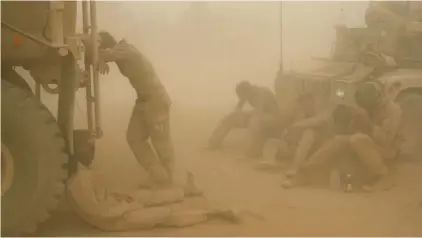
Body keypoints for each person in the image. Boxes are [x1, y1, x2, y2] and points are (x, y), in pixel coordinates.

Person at [286, 80, 402, 191]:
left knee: (358, 139)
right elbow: (354, 129)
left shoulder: (393, 110)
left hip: (387, 149)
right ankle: (307, 171)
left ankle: (383, 175)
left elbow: (386, 140)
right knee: (337, 140)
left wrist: (369, 124)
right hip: (366, 142)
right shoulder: (364, 106)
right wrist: (354, 121)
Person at [94, 31, 175, 186]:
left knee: (160, 140)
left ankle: (168, 178)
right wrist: (99, 55)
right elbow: (105, 55)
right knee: (134, 137)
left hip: (155, 100)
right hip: (143, 100)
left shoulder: (126, 50)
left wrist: (98, 54)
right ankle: (158, 175)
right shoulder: (120, 52)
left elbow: (107, 55)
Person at [208, 81, 283, 158]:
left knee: (254, 121)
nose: (240, 98)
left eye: (241, 95)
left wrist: (248, 120)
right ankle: (214, 142)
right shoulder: (247, 93)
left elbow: (258, 112)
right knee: (232, 116)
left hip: (274, 117)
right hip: (260, 114)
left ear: (247, 91)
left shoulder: (262, 93)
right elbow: (238, 108)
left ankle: (252, 151)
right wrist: (235, 119)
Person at [276, 93, 319, 176]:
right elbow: (289, 131)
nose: (306, 105)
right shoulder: (299, 116)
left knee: (308, 133)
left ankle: (295, 168)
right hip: (297, 145)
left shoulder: (318, 113)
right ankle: (269, 161)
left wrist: (295, 126)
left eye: (308, 102)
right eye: (303, 104)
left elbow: (317, 122)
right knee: (272, 142)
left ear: (312, 102)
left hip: (316, 143)